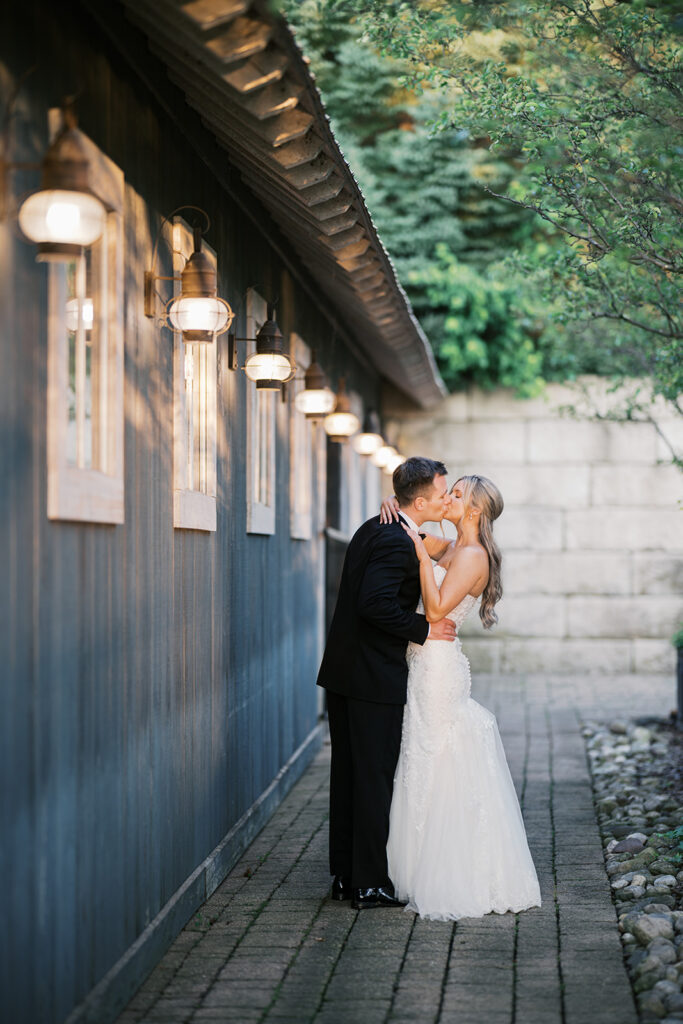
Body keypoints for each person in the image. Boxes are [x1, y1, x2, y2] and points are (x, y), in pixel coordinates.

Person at [381, 474, 541, 920]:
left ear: (473, 510)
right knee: (419, 755)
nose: (446, 498)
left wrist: (418, 560)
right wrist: (394, 505)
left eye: (455, 494)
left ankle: (447, 870)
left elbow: (434, 611)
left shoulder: (471, 555)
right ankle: (412, 866)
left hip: (438, 668)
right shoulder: (453, 547)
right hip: (425, 663)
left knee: (433, 756)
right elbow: (415, 529)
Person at [317, 457, 457, 910]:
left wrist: (408, 520)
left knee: (350, 777)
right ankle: (370, 883)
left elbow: (437, 549)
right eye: (441, 493)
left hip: (346, 673)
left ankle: (346, 875)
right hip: (370, 676)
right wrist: (423, 628)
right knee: (373, 779)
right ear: (419, 501)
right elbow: (374, 605)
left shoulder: (377, 528)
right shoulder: (395, 541)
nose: (447, 498)